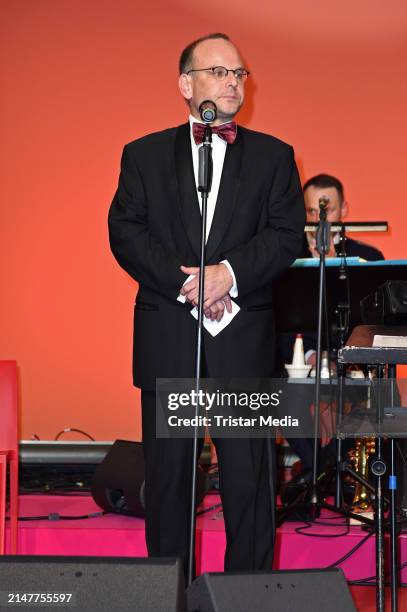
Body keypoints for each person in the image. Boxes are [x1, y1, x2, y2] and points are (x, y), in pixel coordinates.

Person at [108, 32, 305, 579]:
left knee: (249, 482)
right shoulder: (142, 155)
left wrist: (229, 275)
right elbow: (126, 233)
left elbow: (288, 235)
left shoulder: (273, 156)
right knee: (170, 484)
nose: (233, 82)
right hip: (170, 339)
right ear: (186, 84)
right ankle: (171, 595)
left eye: (239, 74)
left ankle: (249, 595)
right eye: (220, 72)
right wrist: (189, 283)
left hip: (242, 343)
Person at [280, 173, 384, 491]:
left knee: (381, 391)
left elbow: (372, 325)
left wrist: (345, 357)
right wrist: (310, 356)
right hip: (296, 362)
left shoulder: (369, 258)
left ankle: (320, 473)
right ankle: (324, 471)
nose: (319, 219)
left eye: (328, 210)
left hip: (350, 361)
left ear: (344, 210)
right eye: (311, 212)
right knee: (274, 392)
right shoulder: (282, 256)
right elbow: (274, 324)